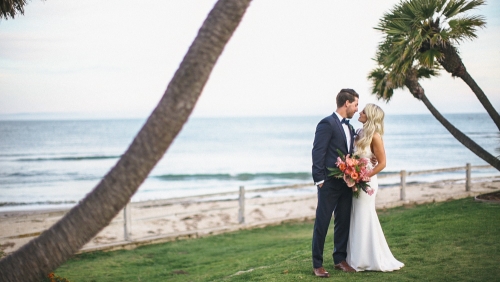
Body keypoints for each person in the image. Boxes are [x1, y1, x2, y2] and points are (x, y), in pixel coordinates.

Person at [346, 103, 404, 272]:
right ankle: (355, 257)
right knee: (355, 217)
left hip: (367, 183)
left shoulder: (375, 136)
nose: (360, 112)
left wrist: (364, 176)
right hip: (355, 180)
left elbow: (382, 163)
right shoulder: (359, 132)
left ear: (369, 116)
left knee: (364, 216)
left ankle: (367, 259)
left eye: (363, 111)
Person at [311, 88, 359, 277]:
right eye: (355, 104)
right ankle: (317, 264)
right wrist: (320, 180)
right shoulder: (327, 123)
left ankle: (340, 259)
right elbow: (318, 152)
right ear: (346, 103)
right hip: (328, 183)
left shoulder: (350, 127)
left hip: (346, 183)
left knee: (343, 221)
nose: (357, 109)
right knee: (322, 222)